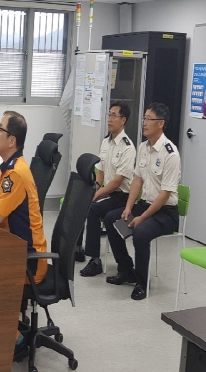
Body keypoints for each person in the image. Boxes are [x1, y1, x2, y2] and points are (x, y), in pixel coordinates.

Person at [0, 111, 47, 361]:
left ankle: (17, 341)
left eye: (0, 129)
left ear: (12, 140)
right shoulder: (9, 168)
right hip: (15, 251)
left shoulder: (16, 174)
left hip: (29, 260)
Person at [104, 103, 181, 300]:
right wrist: (129, 208)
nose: (144, 123)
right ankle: (126, 269)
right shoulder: (143, 147)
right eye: (144, 118)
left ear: (160, 123)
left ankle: (141, 282)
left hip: (166, 213)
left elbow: (164, 195)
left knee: (140, 232)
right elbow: (137, 180)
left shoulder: (170, 154)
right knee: (112, 218)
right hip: (145, 205)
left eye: (149, 119)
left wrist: (142, 217)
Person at [78, 101, 136, 277]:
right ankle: (86, 254)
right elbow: (101, 174)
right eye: (109, 115)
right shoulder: (105, 142)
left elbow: (117, 182)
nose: (109, 119)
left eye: (114, 116)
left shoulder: (128, 148)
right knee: (85, 205)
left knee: (95, 209)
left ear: (123, 120)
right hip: (109, 194)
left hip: (123, 198)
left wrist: (97, 194)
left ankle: (99, 261)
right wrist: (94, 190)